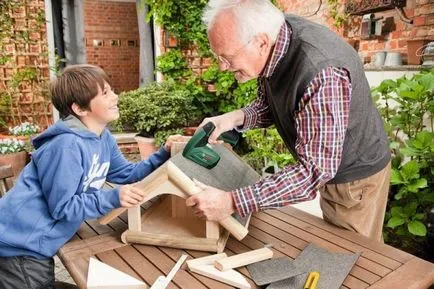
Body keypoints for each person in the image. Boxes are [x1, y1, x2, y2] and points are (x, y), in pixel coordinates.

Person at [186, 0, 391, 241]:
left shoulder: (321, 73)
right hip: (329, 163)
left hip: (354, 180)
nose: (222, 67)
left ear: (261, 42)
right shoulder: (277, 38)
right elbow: (274, 104)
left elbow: (314, 171)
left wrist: (232, 201)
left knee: (351, 258)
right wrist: (234, 118)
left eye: (227, 57)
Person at [0, 64, 181, 289]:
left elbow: (127, 174)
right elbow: (62, 207)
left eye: (111, 89)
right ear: (80, 108)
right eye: (105, 92)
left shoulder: (102, 138)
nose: (116, 96)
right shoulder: (66, 146)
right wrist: (111, 198)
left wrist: (163, 153)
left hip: (38, 243)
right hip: (20, 247)